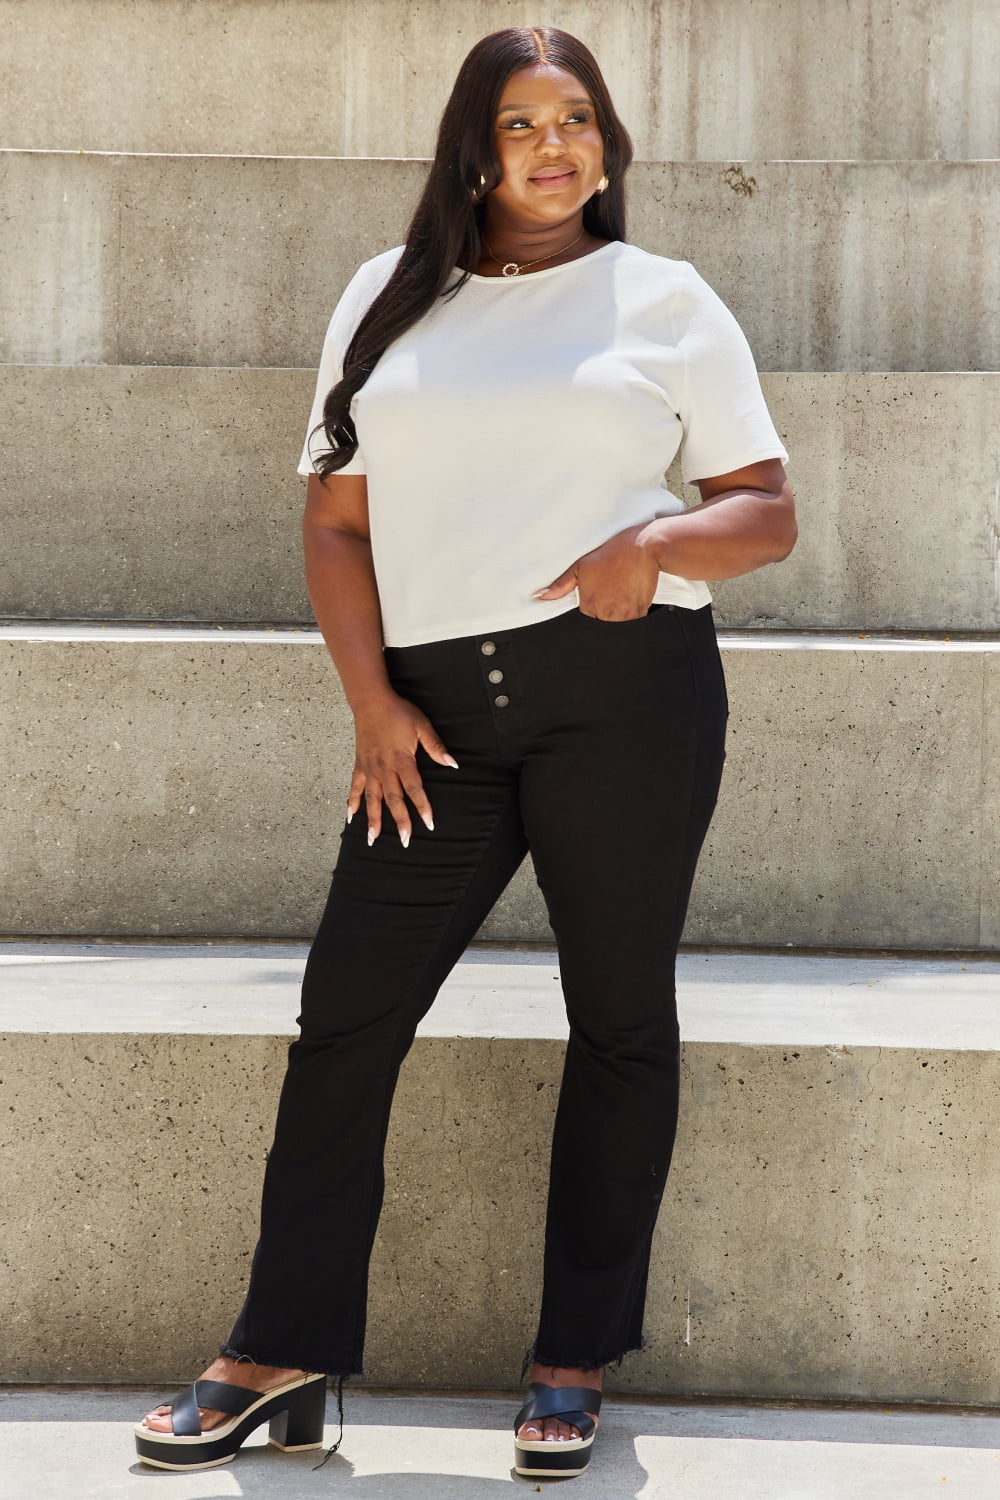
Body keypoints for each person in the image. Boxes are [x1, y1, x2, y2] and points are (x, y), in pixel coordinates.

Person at [134, 23, 795, 1481]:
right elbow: (334, 517)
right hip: (432, 714)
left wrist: (656, 543)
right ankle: (280, 1348)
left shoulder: (665, 298)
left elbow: (765, 510)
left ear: (608, 143)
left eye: (578, 119)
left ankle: (573, 1359)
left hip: (627, 697)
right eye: (520, 123)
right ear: (473, 148)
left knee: (619, 1018)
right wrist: (372, 704)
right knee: (346, 1016)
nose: (556, 146)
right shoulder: (387, 295)